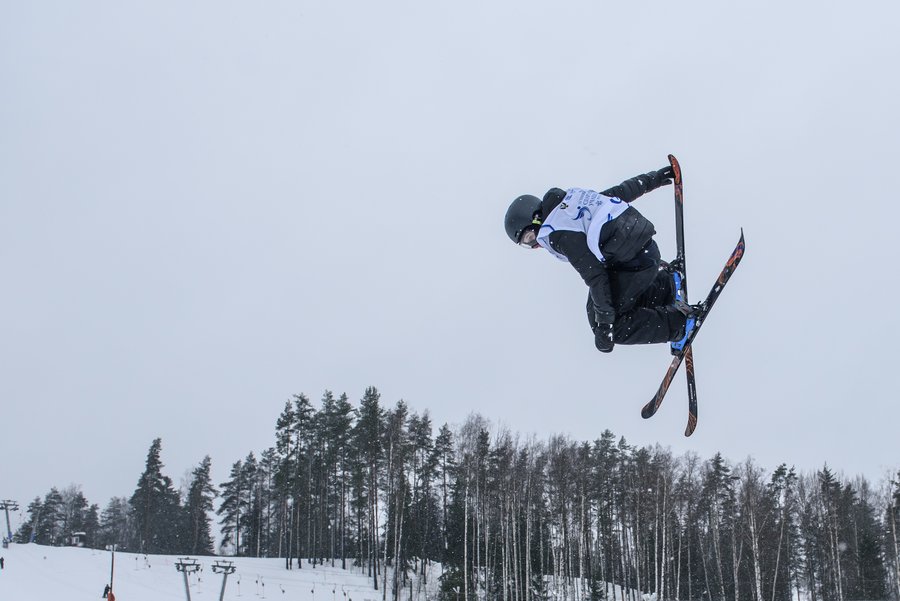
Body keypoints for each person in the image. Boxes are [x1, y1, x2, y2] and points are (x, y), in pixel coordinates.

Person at [504, 165, 701, 353]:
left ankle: (680, 325)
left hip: (635, 262)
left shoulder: (557, 232)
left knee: (614, 326)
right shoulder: (569, 205)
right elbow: (617, 194)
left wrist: (606, 326)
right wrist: (652, 179)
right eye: (526, 244)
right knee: (595, 309)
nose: (534, 245)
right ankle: (665, 285)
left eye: (529, 237)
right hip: (644, 252)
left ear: (535, 217)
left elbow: (595, 276)